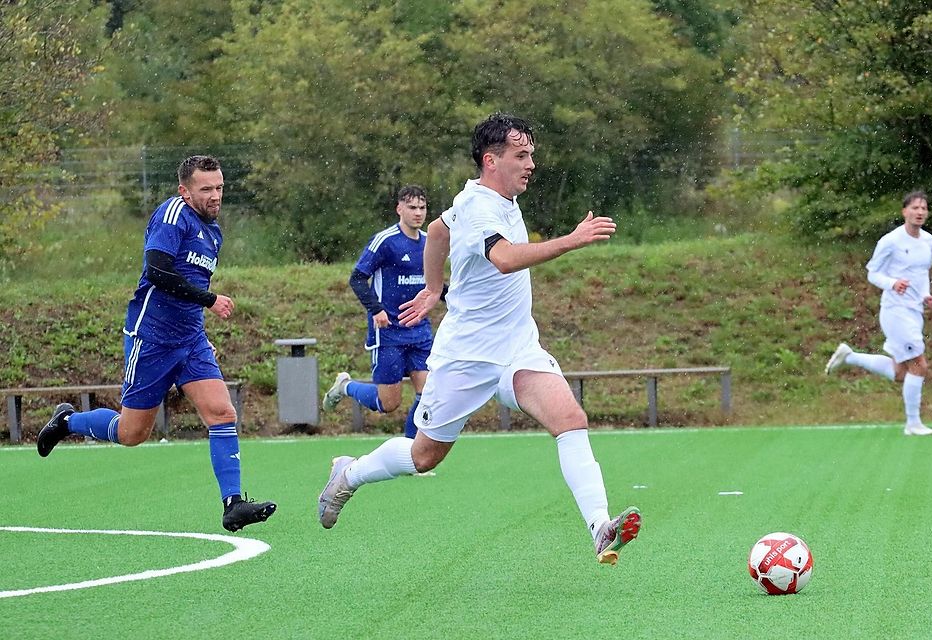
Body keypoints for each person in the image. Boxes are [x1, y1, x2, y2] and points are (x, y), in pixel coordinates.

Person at [317, 113, 641, 565]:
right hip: (466, 355)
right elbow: (505, 259)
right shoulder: (479, 206)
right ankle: (348, 474)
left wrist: (432, 287)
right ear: (491, 161)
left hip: (518, 350)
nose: (531, 164)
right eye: (521, 156)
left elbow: (436, 231)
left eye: (531, 154)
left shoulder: (491, 200)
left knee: (569, 418)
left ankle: (600, 529)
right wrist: (571, 240)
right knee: (424, 455)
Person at [36, 155, 277, 530]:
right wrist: (210, 301)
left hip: (189, 339)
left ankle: (233, 504)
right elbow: (159, 272)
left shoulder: (213, 231)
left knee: (222, 412)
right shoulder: (172, 216)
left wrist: (200, 332)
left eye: (220, 188)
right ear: (184, 190)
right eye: (206, 189)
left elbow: (190, 284)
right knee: (132, 433)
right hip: (151, 339)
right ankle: (69, 421)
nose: (215, 196)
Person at [320, 185, 434, 441]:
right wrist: (377, 309)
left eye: (422, 208)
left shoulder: (429, 242)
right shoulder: (386, 241)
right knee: (388, 403)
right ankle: (346, 387)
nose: (418, 213)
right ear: (399, 209)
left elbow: (435, 284)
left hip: (420, 331)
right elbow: (358, 278)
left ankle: (410, 453)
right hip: (389, 332)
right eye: (412, 207)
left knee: (429, 394)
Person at [825, 190, 932, 436]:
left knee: (901, 373)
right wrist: (892, 283)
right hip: (895, 311)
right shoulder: (890, 241)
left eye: (923, 208)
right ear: (904, 211)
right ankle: (913, 424)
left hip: (914, 310)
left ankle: (850, 357)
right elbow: (873, 273)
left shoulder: (928, 240)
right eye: (915, 208)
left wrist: (926, 297)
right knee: (919, 365)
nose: (920, 212)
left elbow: (922, 275)